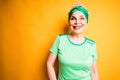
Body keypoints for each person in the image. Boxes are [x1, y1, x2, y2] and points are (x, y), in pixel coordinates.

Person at [47, 4, 99, 80]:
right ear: (69, 22)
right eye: (73, 18)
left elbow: (94, 72)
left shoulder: (91, 45)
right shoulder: (60, 39)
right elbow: (49, 64)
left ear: (86, 23)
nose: (77, 22)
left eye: (82, 18)